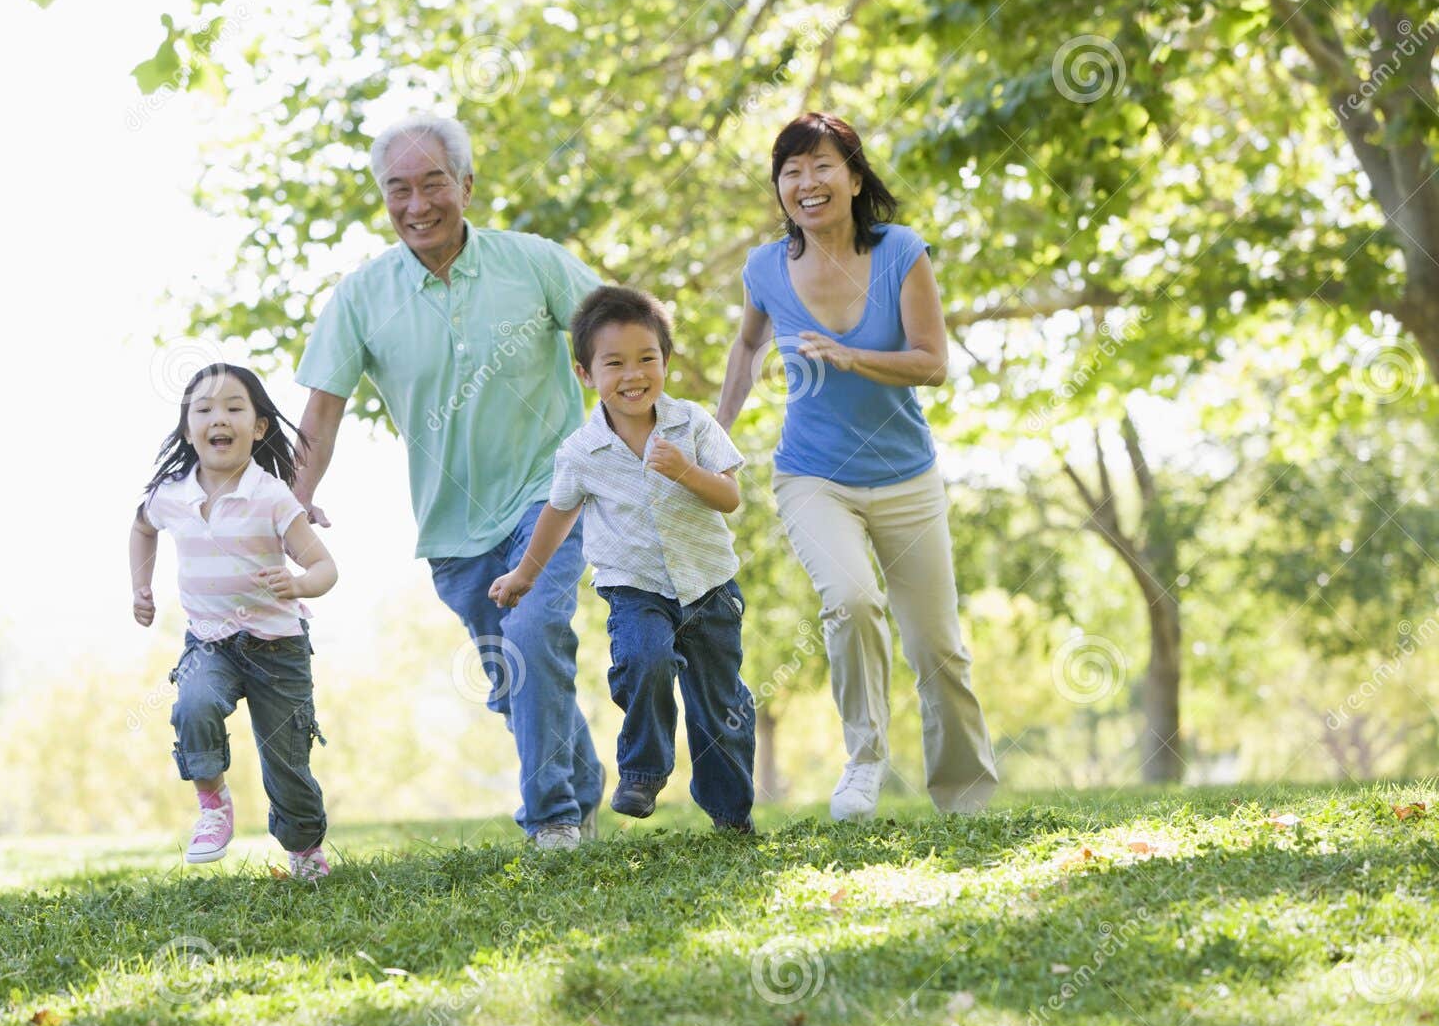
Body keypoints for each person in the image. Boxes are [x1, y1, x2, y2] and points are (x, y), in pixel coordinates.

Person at [292, 113, 604, 849]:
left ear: (466, 185)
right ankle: (583, 782)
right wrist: (291, 505)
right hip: (453, 527)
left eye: (434, 183)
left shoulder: (534, 263)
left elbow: (621, 331)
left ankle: (552, 820)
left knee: (535, 629)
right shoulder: (360, 297)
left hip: (550, 494)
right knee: (512, 680)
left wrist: (647, 437)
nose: (417, 204)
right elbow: (321, 412)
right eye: (398, 189)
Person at [717, 111, 999, 821]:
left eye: (821, 167)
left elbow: (932, 364)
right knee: (850, 599)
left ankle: (963, 797)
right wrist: (717, 430)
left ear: (853, 175)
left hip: (906, 476)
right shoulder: (765, 269)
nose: (806, 183)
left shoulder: (901, 252)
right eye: (791, 172)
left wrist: (853, 357)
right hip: (812, 474)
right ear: (780, 188)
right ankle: (865, 761)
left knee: (938, 647)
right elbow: (748, 348)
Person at [490, 286, 756, 832]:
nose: (633, 375)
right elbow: (558, 515)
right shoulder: (580, 452)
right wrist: (524, 574)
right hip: (634, 587)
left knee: (719, 708)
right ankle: (642, 771)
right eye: (614, 363)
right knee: (644, 659)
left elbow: (730, 498)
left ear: (665, 361)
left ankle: (731, 817)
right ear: (586, 374)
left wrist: (686, 470)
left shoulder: (693, 425)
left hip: (708, 585)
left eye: (646, 359)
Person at [130, 363, 339, 879]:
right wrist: (141, 584)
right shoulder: (171, 495)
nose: (217, 418)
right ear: (187, 428)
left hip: (278, 648)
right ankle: (213, 804)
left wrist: (299, 583)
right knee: (193, 705)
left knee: (287, 763)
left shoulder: (272, 496)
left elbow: (325, 567)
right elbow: (141, 527)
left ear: (259, 426)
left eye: (233, 408)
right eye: (203, 409)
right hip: (210, 643)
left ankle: (304, 849)